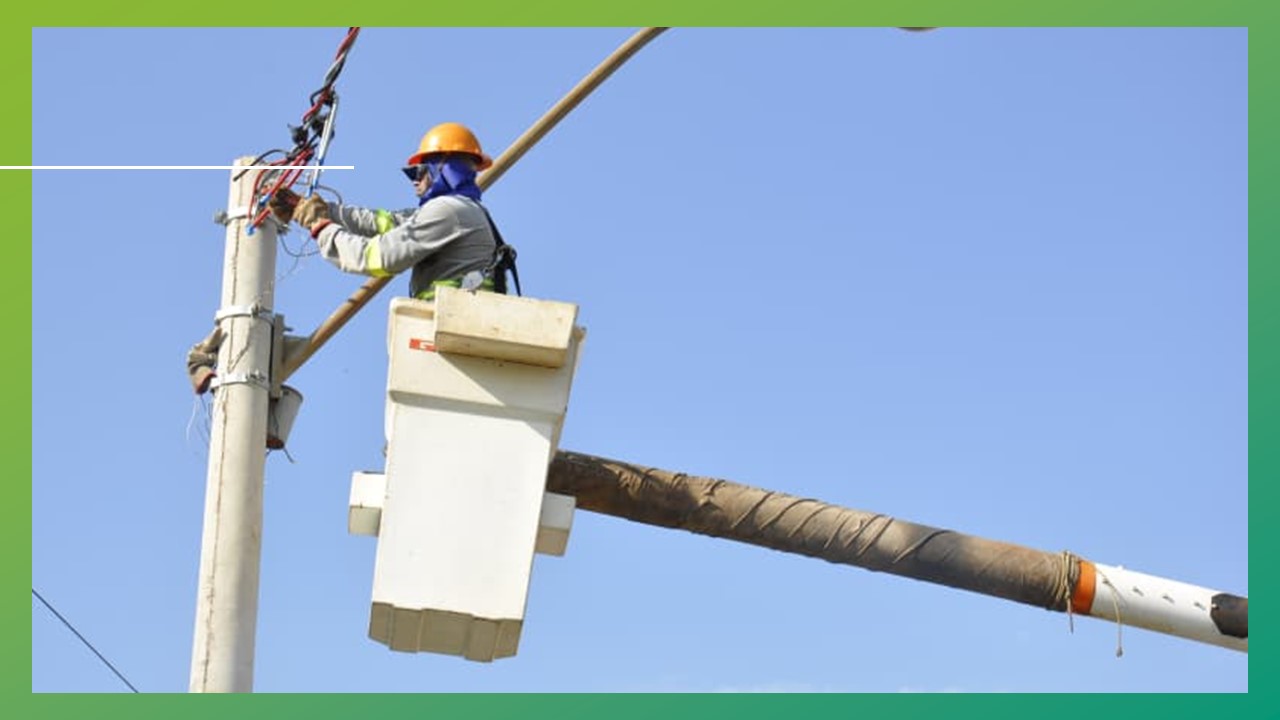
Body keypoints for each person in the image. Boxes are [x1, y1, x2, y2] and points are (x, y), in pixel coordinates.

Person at [270, 121, 504, 301]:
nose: (413, 181)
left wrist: (320, 227)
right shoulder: (459, 212)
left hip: (450, 335)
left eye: (418, 172)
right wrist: (324, 211)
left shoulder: (448, 211)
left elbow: (379, 256)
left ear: (442, 168)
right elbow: (385, 223)